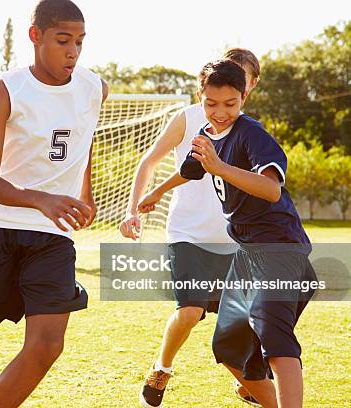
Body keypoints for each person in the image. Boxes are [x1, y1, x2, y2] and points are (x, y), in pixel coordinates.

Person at [0, 1, 108, 407]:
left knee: (47, 345)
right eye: (62, 41)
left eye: (79, 42)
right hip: (0, 229)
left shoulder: (95, 87)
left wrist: (83, 192)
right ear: (35, 36)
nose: (73, 51)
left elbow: (84, 140)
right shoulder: (5, 90)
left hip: (53, 237)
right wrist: (41, 200)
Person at [139, 59, 316, 408]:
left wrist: (220, 167)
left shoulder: (251, 134)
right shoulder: (205, 134)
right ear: (200, 97)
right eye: (211, 103)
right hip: (247, 252)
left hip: (278, 248)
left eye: (230, 104)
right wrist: (158, 192)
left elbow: (271, 189)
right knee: (229, 345)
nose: (220, 112)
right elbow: (191, 170)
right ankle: (264, 397)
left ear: (243, 99)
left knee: (274, 337)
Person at [120, 48, 263, 407]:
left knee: (242, 323)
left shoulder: (250, 131)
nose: (224, 105)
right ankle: (161, 369)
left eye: (240, 85)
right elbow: (149, 161)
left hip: (234, 242)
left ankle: (250, 381)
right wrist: (133, 208)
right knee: (190, 310)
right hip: (188, 235)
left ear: (248, 88)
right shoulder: (187, 120)